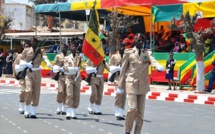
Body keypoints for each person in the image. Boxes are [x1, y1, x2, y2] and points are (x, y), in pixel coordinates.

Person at [118, 38, 164, 134]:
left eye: (142, 40)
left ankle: (137, 132)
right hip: (131, 84)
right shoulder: (129, 53)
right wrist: (120, 85)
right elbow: (123, 70)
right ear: (135, 42)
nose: (140, 42)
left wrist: (158, 66)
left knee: (140, 112)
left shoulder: (147, 53)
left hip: (143, 85)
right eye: (138, 40)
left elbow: (153, 60)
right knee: (133, 108)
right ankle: (127, 130)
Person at [15, 37, 52, 118]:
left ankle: (33, 111)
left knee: (36, 92)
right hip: (29, 72)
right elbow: (20, 59)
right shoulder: (26, 50)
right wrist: (26, 64)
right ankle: (27, 108)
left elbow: (45, 57)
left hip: (37, 73)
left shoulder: (41, 51)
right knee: (28, 91)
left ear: (37, 43)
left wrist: (48, 63)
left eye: (35, 42)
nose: (34, 43)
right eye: (32, 42)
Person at [63, 42, 82, 119]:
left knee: (76, 95)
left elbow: (82, 65)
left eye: (74, 47)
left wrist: (81, 56)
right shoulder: (67, 58)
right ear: (70, 49)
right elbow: (66, 68)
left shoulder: (79, 57)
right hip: (69, 77)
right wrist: (74, 69)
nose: (73, 48)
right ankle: (68, 111)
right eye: (72, 47)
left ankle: (73, 112)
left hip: (77, 78)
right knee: (70, 94)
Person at [108, 44, 126, 120]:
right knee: (118, 94)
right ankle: (117, 110)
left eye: (123, 47)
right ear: (118, 48)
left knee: (124, 95)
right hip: (117, 78)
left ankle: (121, 111)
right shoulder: (114, 56)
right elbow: (109, 66)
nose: (122, 48)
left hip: (125, 77)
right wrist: (117, 68)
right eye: (121, 46)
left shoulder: (126, 56)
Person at [52, 44, 68, 115]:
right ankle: (59, 106)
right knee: (60, 91)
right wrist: (59, 68)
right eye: (63, 48)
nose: (64, 49)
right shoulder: (58, 56)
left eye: (65, 48)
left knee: (66, 92)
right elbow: (54, 65)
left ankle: (64, 107)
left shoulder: (69, 57)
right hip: (61, 76)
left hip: (67, 76)